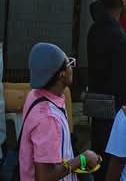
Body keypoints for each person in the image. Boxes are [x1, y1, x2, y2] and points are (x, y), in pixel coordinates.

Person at [21, 43, 101, 181]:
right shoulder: (48, 118)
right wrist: (83, 159)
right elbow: (44, 176)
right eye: (69, 63)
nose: (72, 67)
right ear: (61, 74)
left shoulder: (35, 95)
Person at [86, 0, 126, 179]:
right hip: (113, 104)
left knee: (99, 146)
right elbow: (120, 78)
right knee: (114, 152)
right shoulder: (118, 35)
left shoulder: (94, 29)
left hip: (95, 99)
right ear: (122, 0)